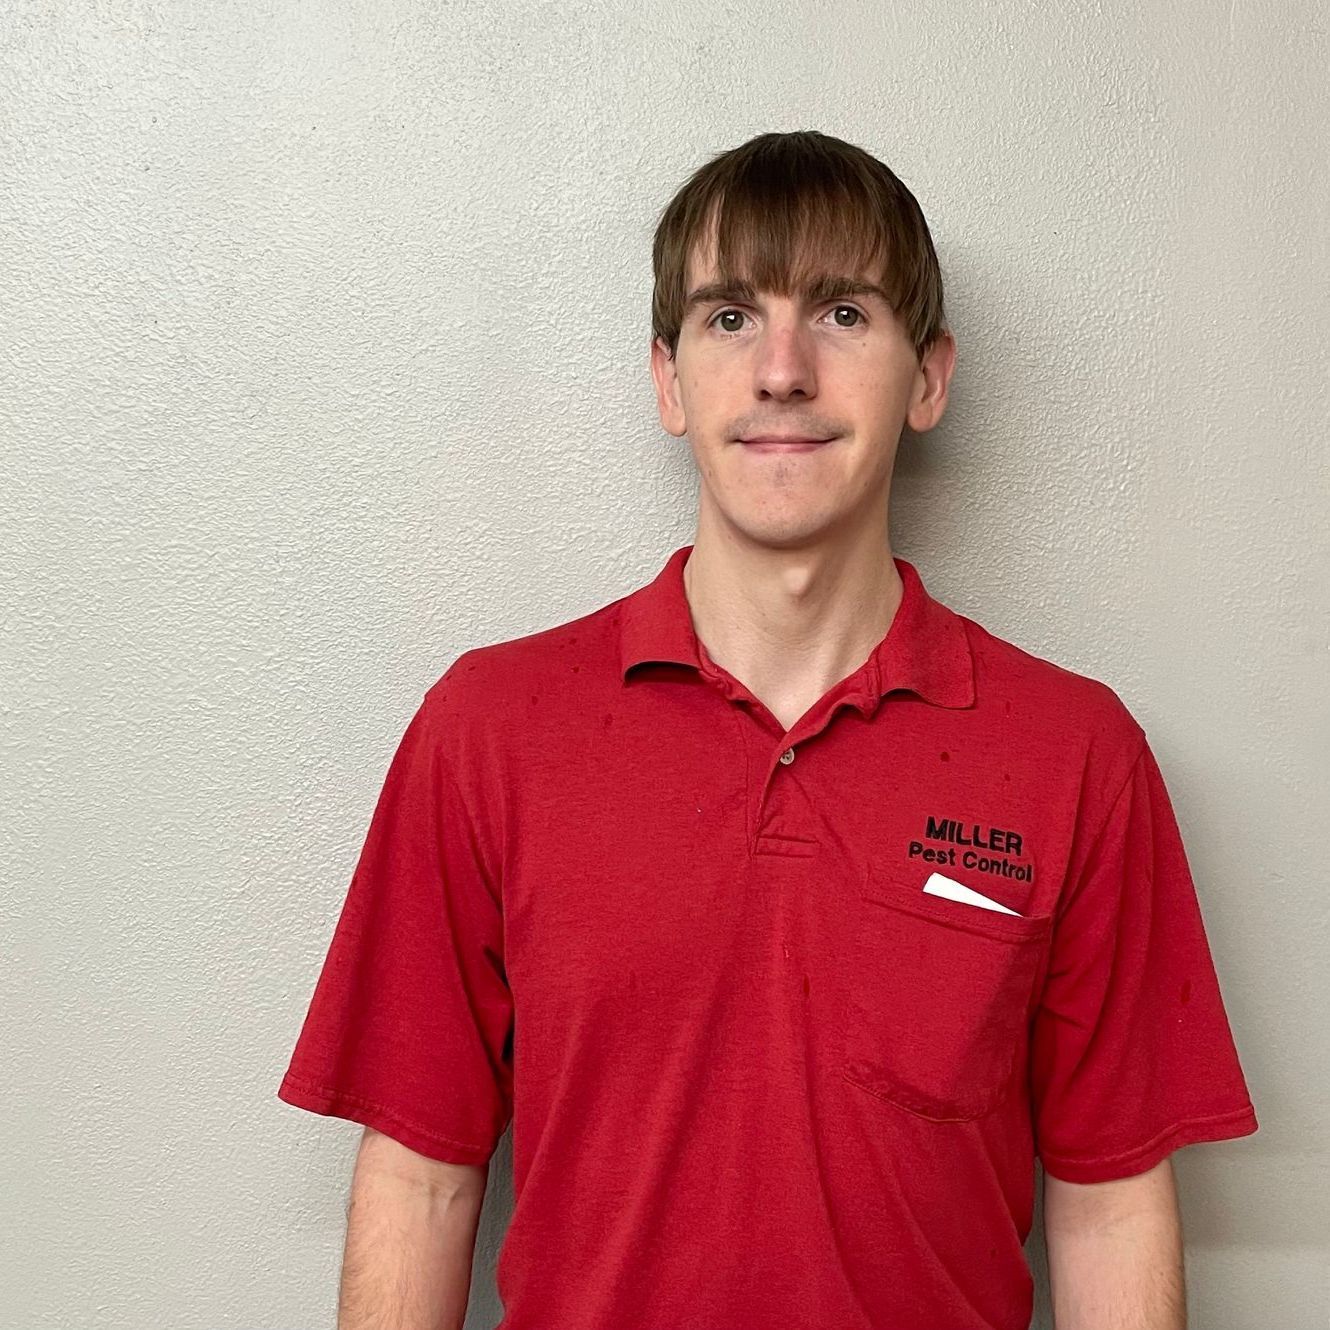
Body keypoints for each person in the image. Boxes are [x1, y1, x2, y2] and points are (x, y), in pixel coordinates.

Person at [276, 130, 1259, 1330]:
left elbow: (1109, 1204)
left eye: (842, 314)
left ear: (929, 377)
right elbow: (422, 1180)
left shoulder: (1074, 754)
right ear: (667, 379)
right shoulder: (489, 730)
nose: (782, 369)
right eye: (730, 317)